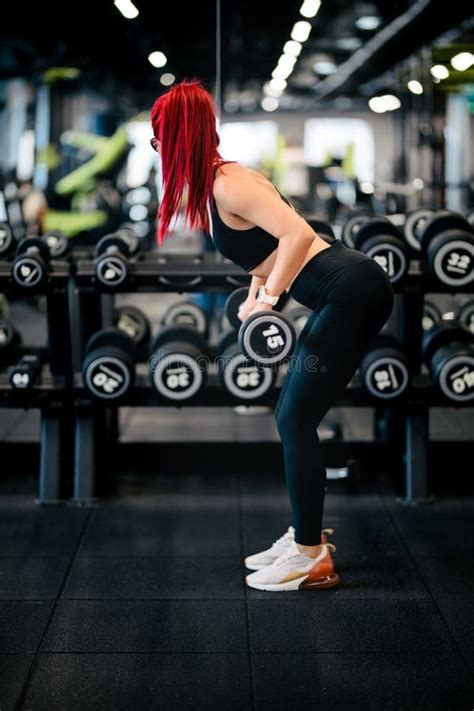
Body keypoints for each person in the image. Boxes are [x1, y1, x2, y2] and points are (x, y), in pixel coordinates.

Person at [150, 79, 394, 592]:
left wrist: (271, 298)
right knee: (295, 414)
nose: (156, 151)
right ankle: (307, 536)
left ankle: (310, 555)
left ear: (175, 138)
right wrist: (255, 288)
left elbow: (300, 235)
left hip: (348, 288)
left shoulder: (226, 184)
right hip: (343, 288)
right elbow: (270, 244)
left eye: (158, 140)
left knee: (294, 416)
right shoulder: (224, 177)